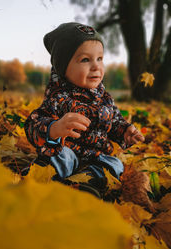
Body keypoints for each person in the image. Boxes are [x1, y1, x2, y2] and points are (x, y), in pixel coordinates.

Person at [24, 22, 144, 198]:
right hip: (67, 151)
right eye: (85, 60)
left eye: (100, 59)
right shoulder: (59, 98)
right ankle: (43, 175)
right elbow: (33, 124)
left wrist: (125, 131)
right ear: (63, 68)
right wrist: (54, 128)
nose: (96, 66)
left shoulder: (104, 98)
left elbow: (114, 122)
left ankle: (83, 182)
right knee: (62, 157)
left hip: (95, 156)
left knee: (115, 165)